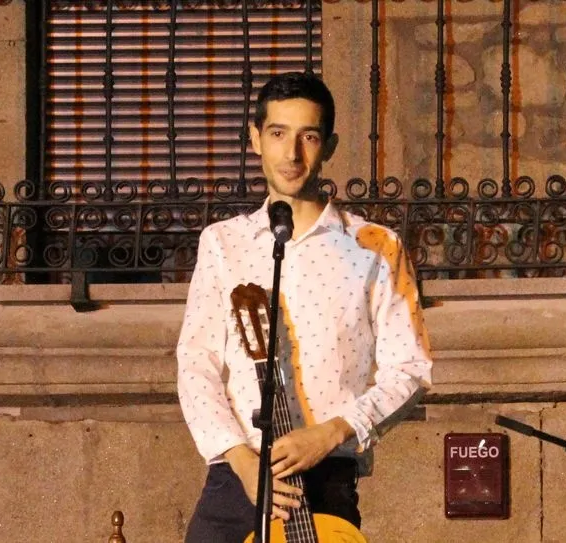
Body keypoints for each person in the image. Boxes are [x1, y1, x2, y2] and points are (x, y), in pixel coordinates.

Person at [177, 71, 433, 542]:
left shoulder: (376, 248)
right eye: (278, 133)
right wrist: (241, 460)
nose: (292, 154)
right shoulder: (223, 243)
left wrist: (333, 431)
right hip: (236, 479)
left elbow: (410, 370)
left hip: (326, 482)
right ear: (255, 139)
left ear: (329, 146)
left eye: (308, 137)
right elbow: (197, 365)